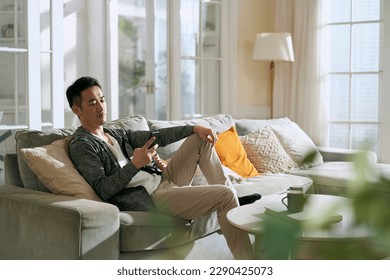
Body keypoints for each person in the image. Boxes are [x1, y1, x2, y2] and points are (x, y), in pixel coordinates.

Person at [66, 76, 259, 259]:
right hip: (153, 198)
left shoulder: (113, 133)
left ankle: (234, 201)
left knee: (199, 140)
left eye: (102, 100)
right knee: (224, 195)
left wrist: (194, 128)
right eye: (92, 103)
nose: (101, 107)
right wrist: (135, 164)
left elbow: (155, 136)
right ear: (77, 109)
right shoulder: (82, 145)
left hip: (164, 180)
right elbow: (103, 189)